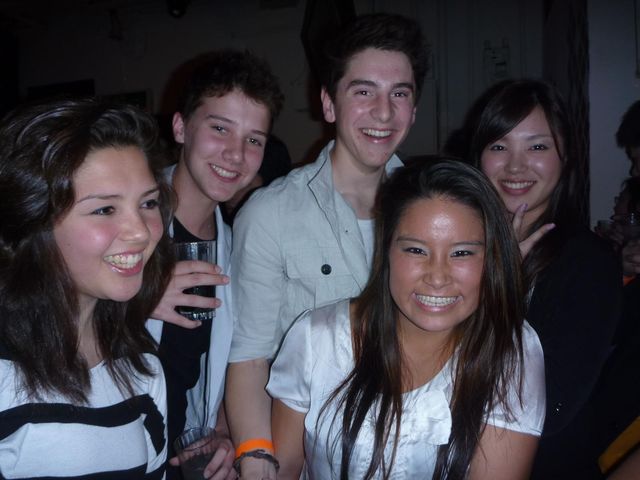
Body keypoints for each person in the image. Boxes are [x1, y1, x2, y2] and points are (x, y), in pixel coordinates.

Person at [225, 13, 428, 479]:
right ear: (328, 104)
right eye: (363, 92)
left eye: (400, 94)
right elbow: (250, 357)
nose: (384, 112)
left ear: (414, 109)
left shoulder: (433, 212)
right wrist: (256, 456)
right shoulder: (270, 214)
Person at [267, 159, 546, 479]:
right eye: (416, 250)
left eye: (461, 253)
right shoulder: (318, 339)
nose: (437, 277)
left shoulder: (510, 351)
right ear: (386, 251)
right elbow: (283, 469)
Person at [0, 98, 174, 478]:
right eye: (105, 209)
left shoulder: (142, 366)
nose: (141, 232)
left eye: (148, 203)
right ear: (35, 222)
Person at [468, 79, 622, 479]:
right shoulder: (456, 247)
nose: (515, 166)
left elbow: (551, 408)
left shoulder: (588, 262)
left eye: (537, 147)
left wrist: (501, 287)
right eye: (499, 146)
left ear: (565, 156)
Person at [145, 49, 284, 479]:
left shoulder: (237, 246)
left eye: (254, 140)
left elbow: (233, 359)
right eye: (220, 128)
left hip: (178, 456)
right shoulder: (124, 221)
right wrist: (137, 295)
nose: (236, 154)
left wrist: (223, 429)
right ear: (181, 127)